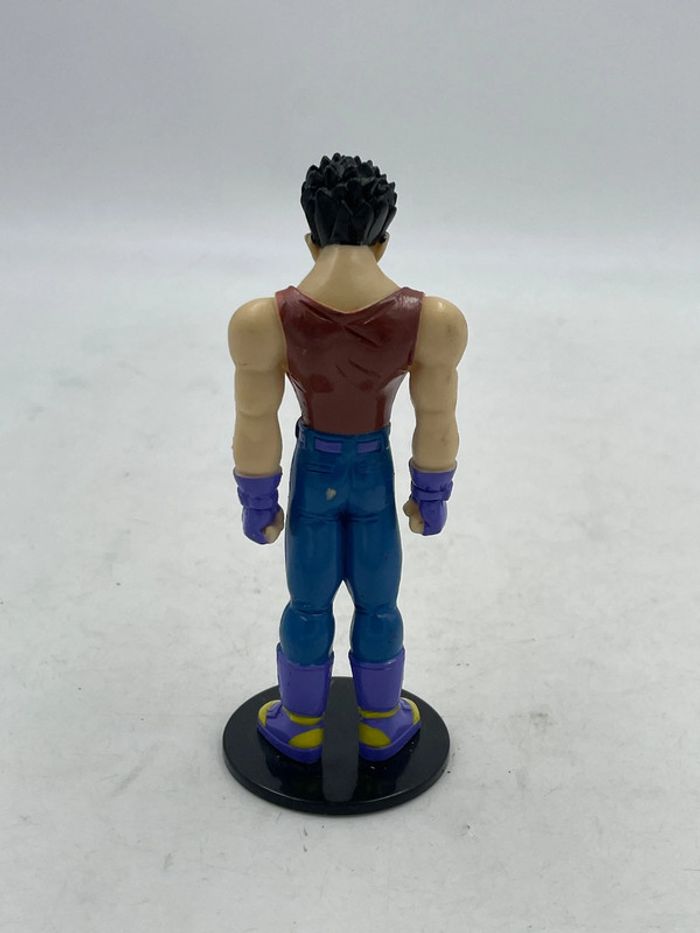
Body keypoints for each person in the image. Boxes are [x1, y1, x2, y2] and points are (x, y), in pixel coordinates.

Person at [228, 153, 467, 764]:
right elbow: (437, 417)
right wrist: (431, 494)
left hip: (315, 472)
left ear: (310, 240)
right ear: (383, 242)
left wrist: (258, 501)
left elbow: (255, 420)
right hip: (374, 473)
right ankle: (381, 723)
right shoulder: (432, 320)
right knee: (379, 602)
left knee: (307, 604)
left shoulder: (263, 320)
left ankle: (301, 726)